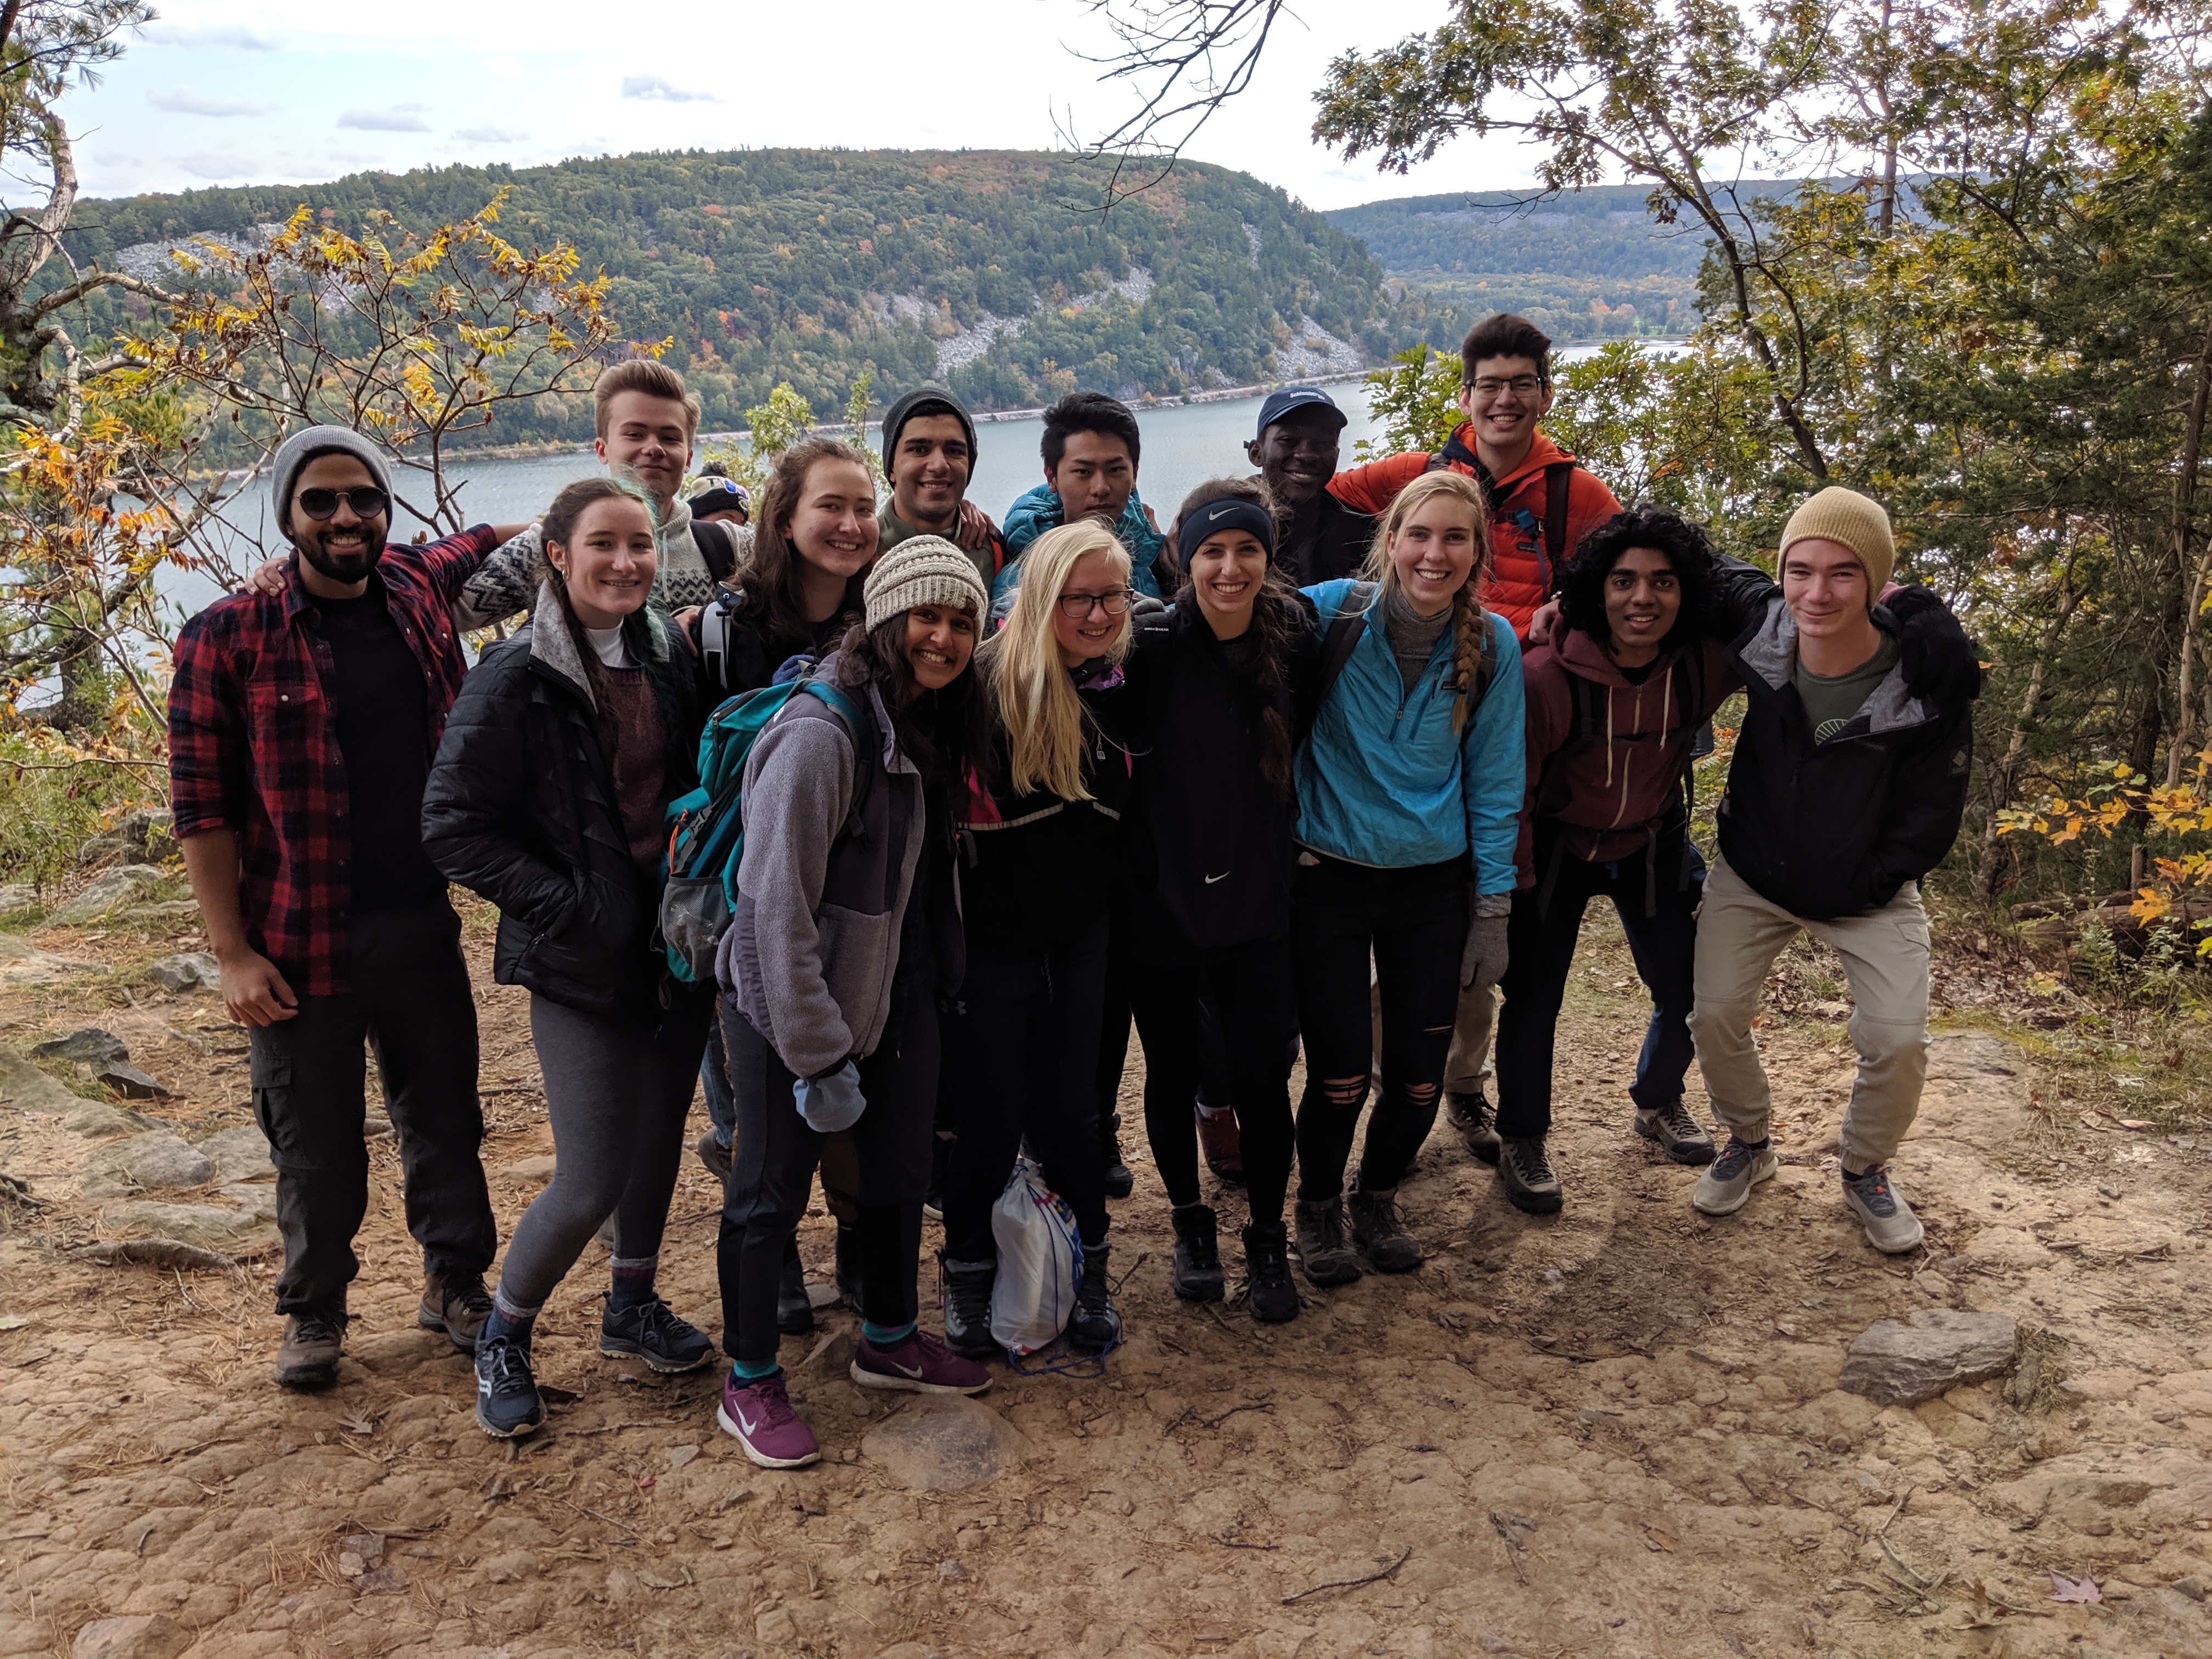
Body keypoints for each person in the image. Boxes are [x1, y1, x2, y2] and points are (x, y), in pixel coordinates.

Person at [167, 425, 526, 1390]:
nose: (344, 517)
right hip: (296, 936)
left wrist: (609, 517)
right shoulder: (226, 635)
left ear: (385, 507)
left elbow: (502, 537)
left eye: (363, 497)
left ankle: (455, 1282)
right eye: (319, 500)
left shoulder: (412, 586)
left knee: (445, 1118)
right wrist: (231, 952)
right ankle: (314, 1307)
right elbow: (201, 807)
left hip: (418, 917)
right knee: (315, 1142)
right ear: (287, 515)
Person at [420, 476, 718, 1438]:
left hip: (671, 941)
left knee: (658, 1136)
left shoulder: (664, 650)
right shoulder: (515, 673)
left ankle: (631, 1304)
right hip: (580, 957)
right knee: (590, 1173)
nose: (626, 563)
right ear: (557, 554)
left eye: (641, 544)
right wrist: (575, 909)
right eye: (603, 544)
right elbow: (452, 825)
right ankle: (504, 1334)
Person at [714, 539, 995, 1469]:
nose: (943, 637)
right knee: (768, 1192)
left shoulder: (924, 717)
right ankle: (750, 1377)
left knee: (898, 1173)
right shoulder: (820, 734)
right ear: (883, 622)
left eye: (961, 622)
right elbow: (771, 913)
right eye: (926, 617)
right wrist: (816, 1054)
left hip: (893, 992)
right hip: (787, 1002)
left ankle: (889, 1336)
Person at [1327, 313, 1623, 1173]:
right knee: (1397, 923)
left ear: (1544, 395)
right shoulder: (1422, 474)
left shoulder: (1574, 493)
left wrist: (1566, 615)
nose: (1504, 400)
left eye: (1521, 385)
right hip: (1421, 704)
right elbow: (1325, 494)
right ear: (1465, 396)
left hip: (1510, 714)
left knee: (1472, 917)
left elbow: (1627, 571)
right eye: (1489, 385)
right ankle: (1392, 1077)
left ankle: (1459, 1080)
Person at [1686, 487, 1977, 1252]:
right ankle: (1749, 1142)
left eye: (1844, 573)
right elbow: (1699, 565)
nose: (1818, 592)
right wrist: (1563, 602)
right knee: (1714, 1013)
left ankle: (1864, 1168)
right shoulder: (1765, 629)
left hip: (1868, 892)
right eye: (1802, 570)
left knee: (1898, 1040)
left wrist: (1871, 879)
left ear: (1877, 582)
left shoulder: (1925, 677)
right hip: (1754, 874)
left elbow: (1933, 811)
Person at [1290, 470, 1524, 1285]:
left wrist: (1492, 909)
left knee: (1421, 1082)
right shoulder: (1330, 614)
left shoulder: (1494, 644)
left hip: (1431, 886)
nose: (1435, 553)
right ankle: (1317, 1205)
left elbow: (1496, 781)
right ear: (1390, 542)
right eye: (1419, 534)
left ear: (1477, 553)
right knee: (1341, 1075)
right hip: (1326, 876)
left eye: (1455, 538)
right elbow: (1228, 615)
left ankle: (1377, 1196)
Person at [684, 438, 881, 1334]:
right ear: (785, 516)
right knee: (748, 1093)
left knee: (850, 1074)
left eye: (862, 507)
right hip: (743, 891)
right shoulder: (727, 628)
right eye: (829, 505)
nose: (850, 524)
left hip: (855, 889)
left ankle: (854, 1240)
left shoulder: (879, 615)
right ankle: (778, 1258)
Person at [1488, 509, 1733, 1214]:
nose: (1642, 598)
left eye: (1663, 581)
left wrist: (1900, 606)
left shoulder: (1703, 665)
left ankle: (1658, 1101)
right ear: (1596, 590)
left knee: (1686, 989)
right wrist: (1511, 890)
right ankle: (1522, 1135)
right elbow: (1513, 792)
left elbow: (1792, 617)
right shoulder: (1545, 677)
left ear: (1687, 591)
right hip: (1556, 847)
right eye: (1623, 581)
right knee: (1534, 999)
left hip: (1653, 841)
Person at [1120, 476, 1316, 1321]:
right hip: (1161, 904)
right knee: (1172, 1072)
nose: (1230, 568)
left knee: (1264, 1078)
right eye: (1212, 551)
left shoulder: (1297, 639)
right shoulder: (1150, 646)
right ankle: (1191, 1224)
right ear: (1183, 557)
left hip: (1259, 900)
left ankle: (1268, 1236)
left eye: (1247, 550)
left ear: (1269, 559)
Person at [938, 521, 1134, 1359]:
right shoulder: (980, 688)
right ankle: (967, 1270)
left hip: (1080, 942)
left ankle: (1089, 1269)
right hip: (989, 949)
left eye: (1112, 597)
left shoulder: (1122, 682)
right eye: (1078, 598)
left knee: (1074, 1119)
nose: (1098, 615)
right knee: (985, 1123)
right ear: (1040, 598)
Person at [454, 360, 743, 624]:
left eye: (669, 438)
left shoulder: (730, 546)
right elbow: (448, 616)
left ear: (689, 457)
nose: (654, 448)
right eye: (635, 434)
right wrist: (491, 535)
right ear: (602, 449)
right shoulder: (549, 548)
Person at [996, 392, 1168, 601]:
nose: (1101, 488)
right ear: (1052, 477)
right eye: (1083, 472)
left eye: (1115, 470)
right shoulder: (1021, 582)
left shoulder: (1146, 554)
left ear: (1135, 475)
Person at [877, 383, 1008, 586]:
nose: (939, 465)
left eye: (954, 451)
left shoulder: (992, 550)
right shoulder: (862, 549)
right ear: (891, 467)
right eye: (919, 450)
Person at [1244, 387, 1374, 587]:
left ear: (1337, 454)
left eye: (1323, 443)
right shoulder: (1222, 528)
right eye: (1288, 440)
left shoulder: (1362, 535)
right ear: (1256, 453)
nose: (1306, 455)